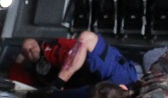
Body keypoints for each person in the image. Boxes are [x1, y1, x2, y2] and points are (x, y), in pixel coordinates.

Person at [10, 31, 141, 89]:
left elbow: (82, 43)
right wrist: (19, 59)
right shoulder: (36, 73)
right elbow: (14, 80)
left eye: (32, 46)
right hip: (94, 85)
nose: (31, 50)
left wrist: (60, 80)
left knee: (86, 37)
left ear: (38, 44)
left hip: (112, 71)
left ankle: (59, 83)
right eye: (27, 50)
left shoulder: (54, 45)